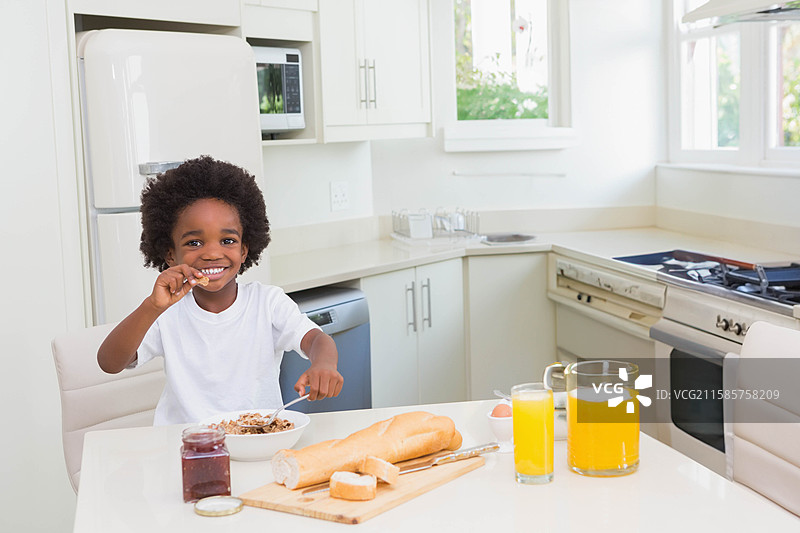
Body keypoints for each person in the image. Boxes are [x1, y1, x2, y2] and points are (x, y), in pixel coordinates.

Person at [97, 155, 343, 425]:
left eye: (227, 240)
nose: (213, 253)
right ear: (170, 254)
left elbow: (317, 340)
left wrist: (324, 364)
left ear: (244, 249)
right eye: (194, 243)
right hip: (186, 443)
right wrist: (152, 307)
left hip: (257, 437)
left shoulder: (268, 303)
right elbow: (109, 362)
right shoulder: (165, 312)